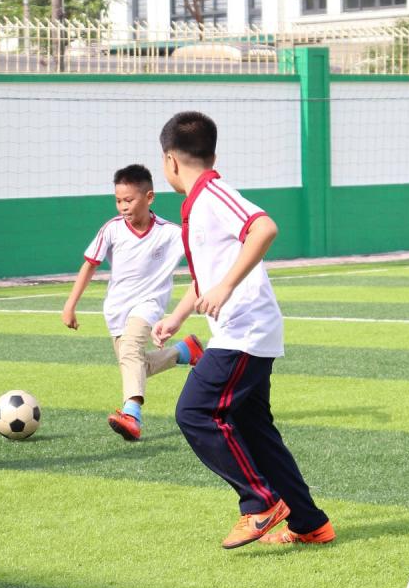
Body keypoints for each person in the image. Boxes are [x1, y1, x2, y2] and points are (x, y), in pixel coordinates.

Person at [151, 111, 333, 549]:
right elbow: (207, 279)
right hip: (243, 331)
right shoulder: (198, 203)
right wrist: (178, 317)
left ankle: (260, 503)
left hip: (245, 332)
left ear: (170, 160)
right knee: (255, 431)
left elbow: (264, 228)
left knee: (194, 412)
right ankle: (310, 524)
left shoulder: (214, 193)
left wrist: (228, 286)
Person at [61, 163, 203, 441]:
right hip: (116, 310)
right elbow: (89, 265)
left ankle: (132, 414)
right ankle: (184, 352)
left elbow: (201, 252)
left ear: (149, 198)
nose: (123, 207)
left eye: (129, 200)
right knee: (136, 365)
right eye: (118, 201)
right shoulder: (112, 230)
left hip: (149, 305)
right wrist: (70, 305)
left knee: (130, 352)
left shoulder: (170, 233)